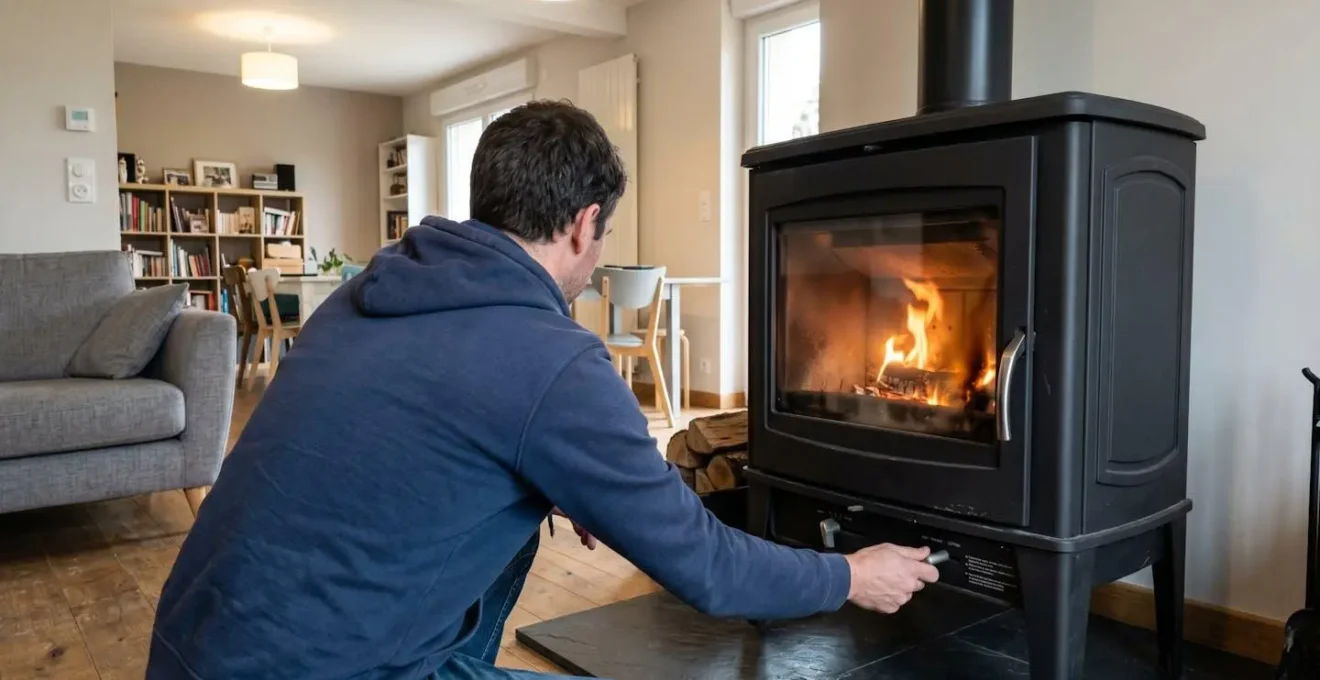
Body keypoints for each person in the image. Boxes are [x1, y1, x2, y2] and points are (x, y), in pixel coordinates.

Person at [146, 100, 940, 680]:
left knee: (515, 517)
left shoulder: (363, 296)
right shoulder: (550, 361)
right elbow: (708, 568)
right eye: (601, 238)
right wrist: (851, 575)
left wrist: (553, 479)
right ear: (584, 224)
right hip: (325, 672)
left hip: (192, 650)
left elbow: (417, 446)